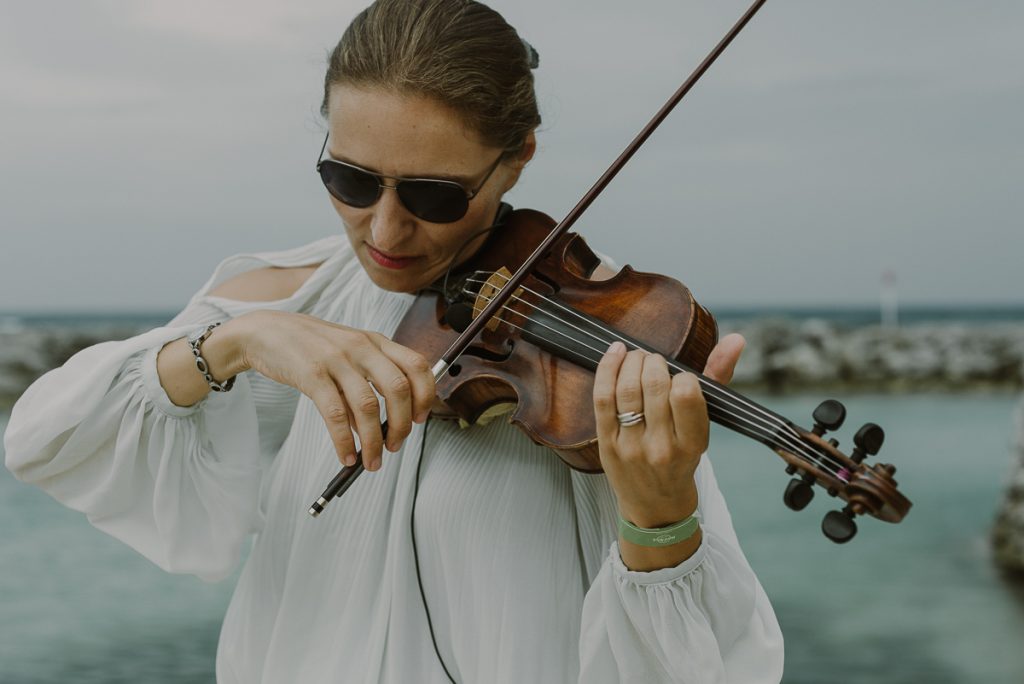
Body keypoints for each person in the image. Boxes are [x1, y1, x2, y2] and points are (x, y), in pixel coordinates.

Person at [4, 0, 783, 681]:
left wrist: (660, 515)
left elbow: (706, 667)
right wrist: (235, 345)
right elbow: (46, 439)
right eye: (350, 180)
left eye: (434, 195)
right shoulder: (288, 299)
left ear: (518, 159)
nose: (383, 230)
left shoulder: (610, 343)